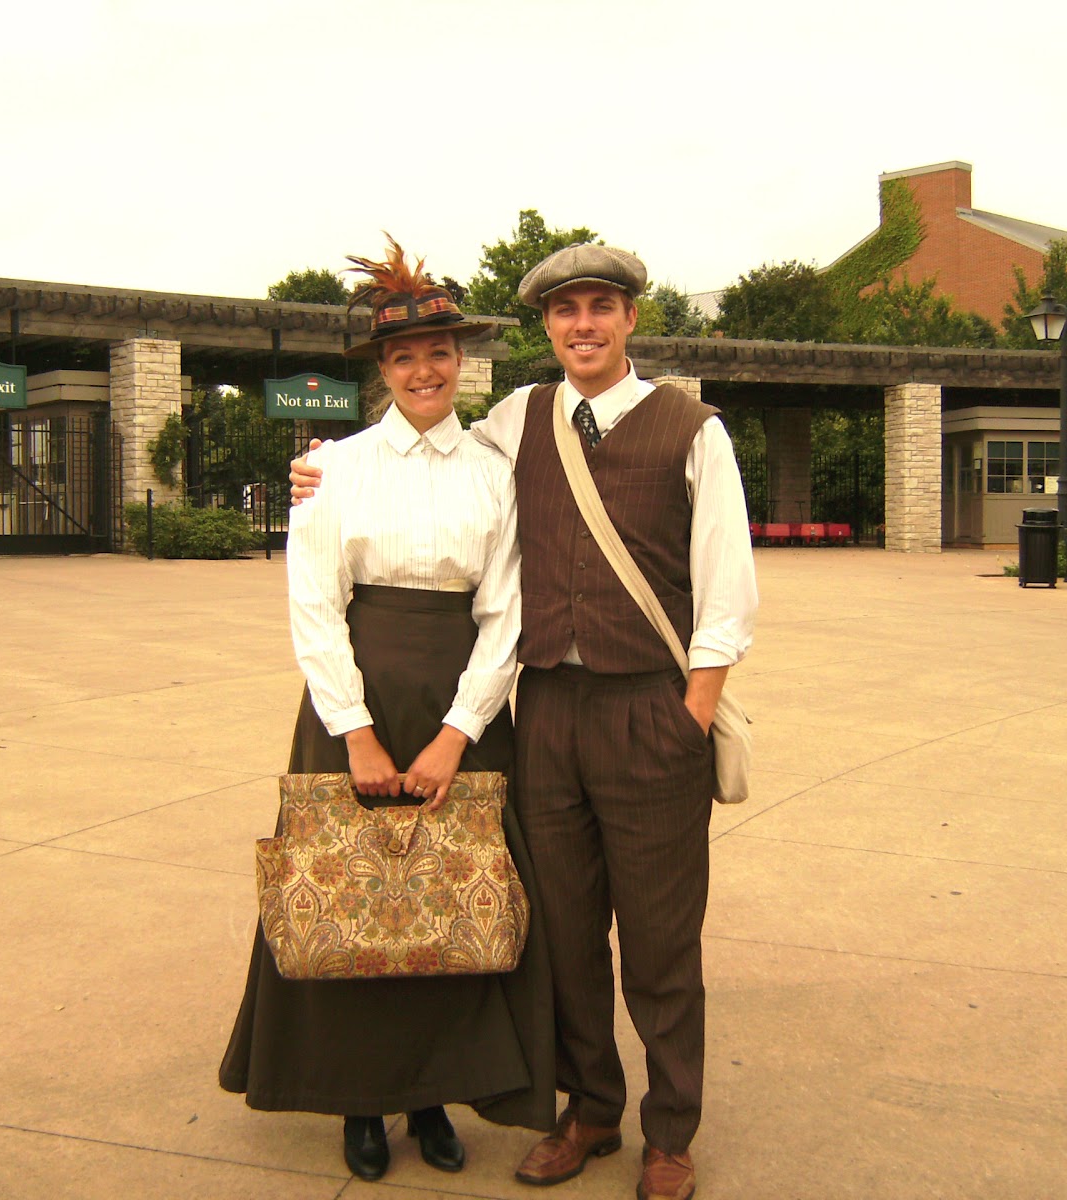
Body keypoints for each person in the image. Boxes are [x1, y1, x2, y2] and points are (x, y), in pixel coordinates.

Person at [294, 243, 759, 1200]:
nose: (583, 325)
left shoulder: (693, 429)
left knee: (662, 943)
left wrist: (694, 711)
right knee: (566, 934)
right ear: (546, 327)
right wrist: (312, 470)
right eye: (564, 311)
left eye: (600, 307)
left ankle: (670, 1133)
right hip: (545, 709)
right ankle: (591, 1109)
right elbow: (413, 449)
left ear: (631, 317)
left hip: (649, 711)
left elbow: (728, 585)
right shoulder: (517, 419)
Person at [219, 237, 556, 1183]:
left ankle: (434, 1094)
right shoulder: (334, 468)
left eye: (439, 353)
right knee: (348, 887)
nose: (424, 371)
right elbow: (314, 607)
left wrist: (460, 732)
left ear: (461, 361)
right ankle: (358, 1102)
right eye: (405, 357)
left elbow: (506, 611)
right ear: (382, 368)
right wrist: (355, 734)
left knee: (452, 893)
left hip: (461, 702)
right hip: (351, 703)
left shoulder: (495, 469)